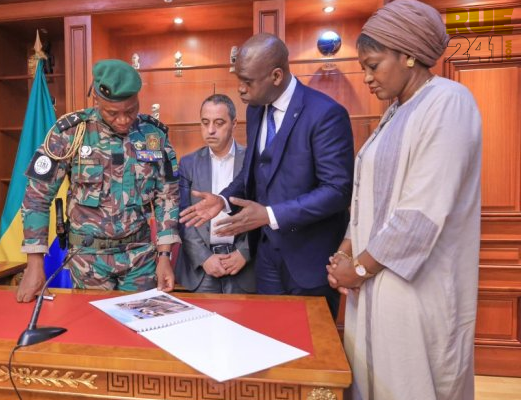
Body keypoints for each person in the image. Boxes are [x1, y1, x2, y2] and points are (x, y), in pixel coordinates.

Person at [326, 1, 482, 399]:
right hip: (372, 283)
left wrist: (357, 270)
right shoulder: (395, 112)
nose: (366, 77)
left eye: (373, 66)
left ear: (408, 55)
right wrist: (345, 253)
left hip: (414, 292)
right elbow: (367, 202)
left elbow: (420, 215)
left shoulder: (448, 101)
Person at [180, 33, 354, 318]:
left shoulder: (325, 114)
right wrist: (223, 200)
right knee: (269, 334)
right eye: (239, 79)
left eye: (247, 81)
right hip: (266, 261)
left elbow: (337, 191)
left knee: (310, 342)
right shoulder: (256, 111)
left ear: (276, 76)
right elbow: (251, 173)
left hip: (308, 262)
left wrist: (270, 215)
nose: (240, 89)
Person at [17, 59, 180, 302]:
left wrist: (165, 255)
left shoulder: (152, 135)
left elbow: (167, 196)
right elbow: (36, 197)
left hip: (140, 258)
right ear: (96, 99)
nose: (123, 120)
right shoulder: (71, 133)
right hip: (89, 261)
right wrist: (34, 263)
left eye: (130, 111)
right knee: (93, 322)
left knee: (139, 321)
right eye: (113, 113)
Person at [175, 94, 255, 294]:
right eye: (205, 122)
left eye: (219, 123)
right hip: (201, 270)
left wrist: (244, 253)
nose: (210, 130)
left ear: (234, 124)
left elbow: (262, 211)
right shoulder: (188, 163)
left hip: (243, 266)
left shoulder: (253, 160)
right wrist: (204, 258)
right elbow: (182, 217)